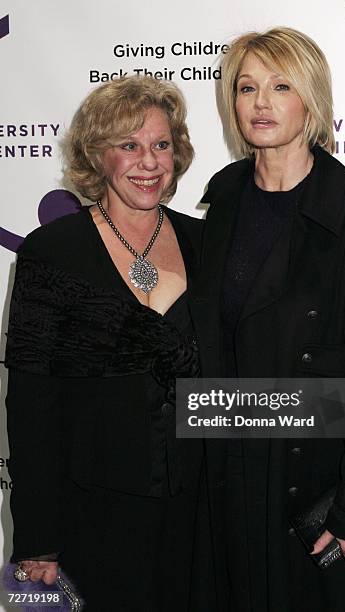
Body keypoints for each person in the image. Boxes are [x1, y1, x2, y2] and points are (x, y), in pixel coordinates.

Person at [189, 28, 345, 611]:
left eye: (280, 86)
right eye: (246, 87)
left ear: (310, 99)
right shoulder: (222, 205)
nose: (260, 103)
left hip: (320, 485)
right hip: (232, 479)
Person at [5, 75, 204, 611]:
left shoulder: (205, 242)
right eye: (128, 146)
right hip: (92, 514)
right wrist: (37, 539)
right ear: (98, 156)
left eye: (161, 145)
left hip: (200, 513)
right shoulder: (53, 252)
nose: (148, 162)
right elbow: (31, 402)